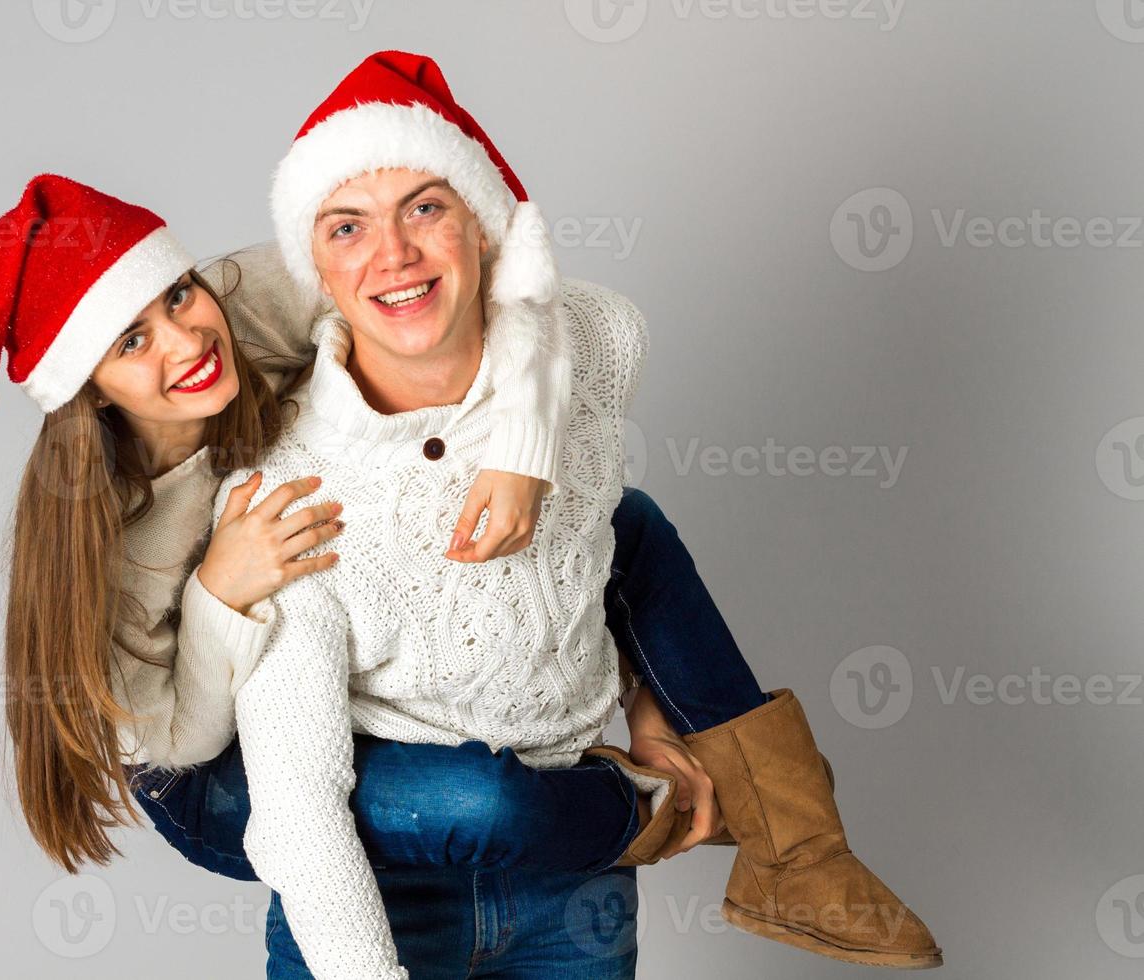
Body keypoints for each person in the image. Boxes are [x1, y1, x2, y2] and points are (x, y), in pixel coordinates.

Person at [202, 51, 943, 977]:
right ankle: (665, 815)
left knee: (637, 522)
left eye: (427, 207)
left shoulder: (597, 354)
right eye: (346, 227)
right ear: (314, 266)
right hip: (384, 894)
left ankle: (799, 853)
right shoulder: (286, 495)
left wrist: (642, 701)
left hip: (574, 899)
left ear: (485, 228)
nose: (392, 255)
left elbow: (587, 538)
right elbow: (301, 808)